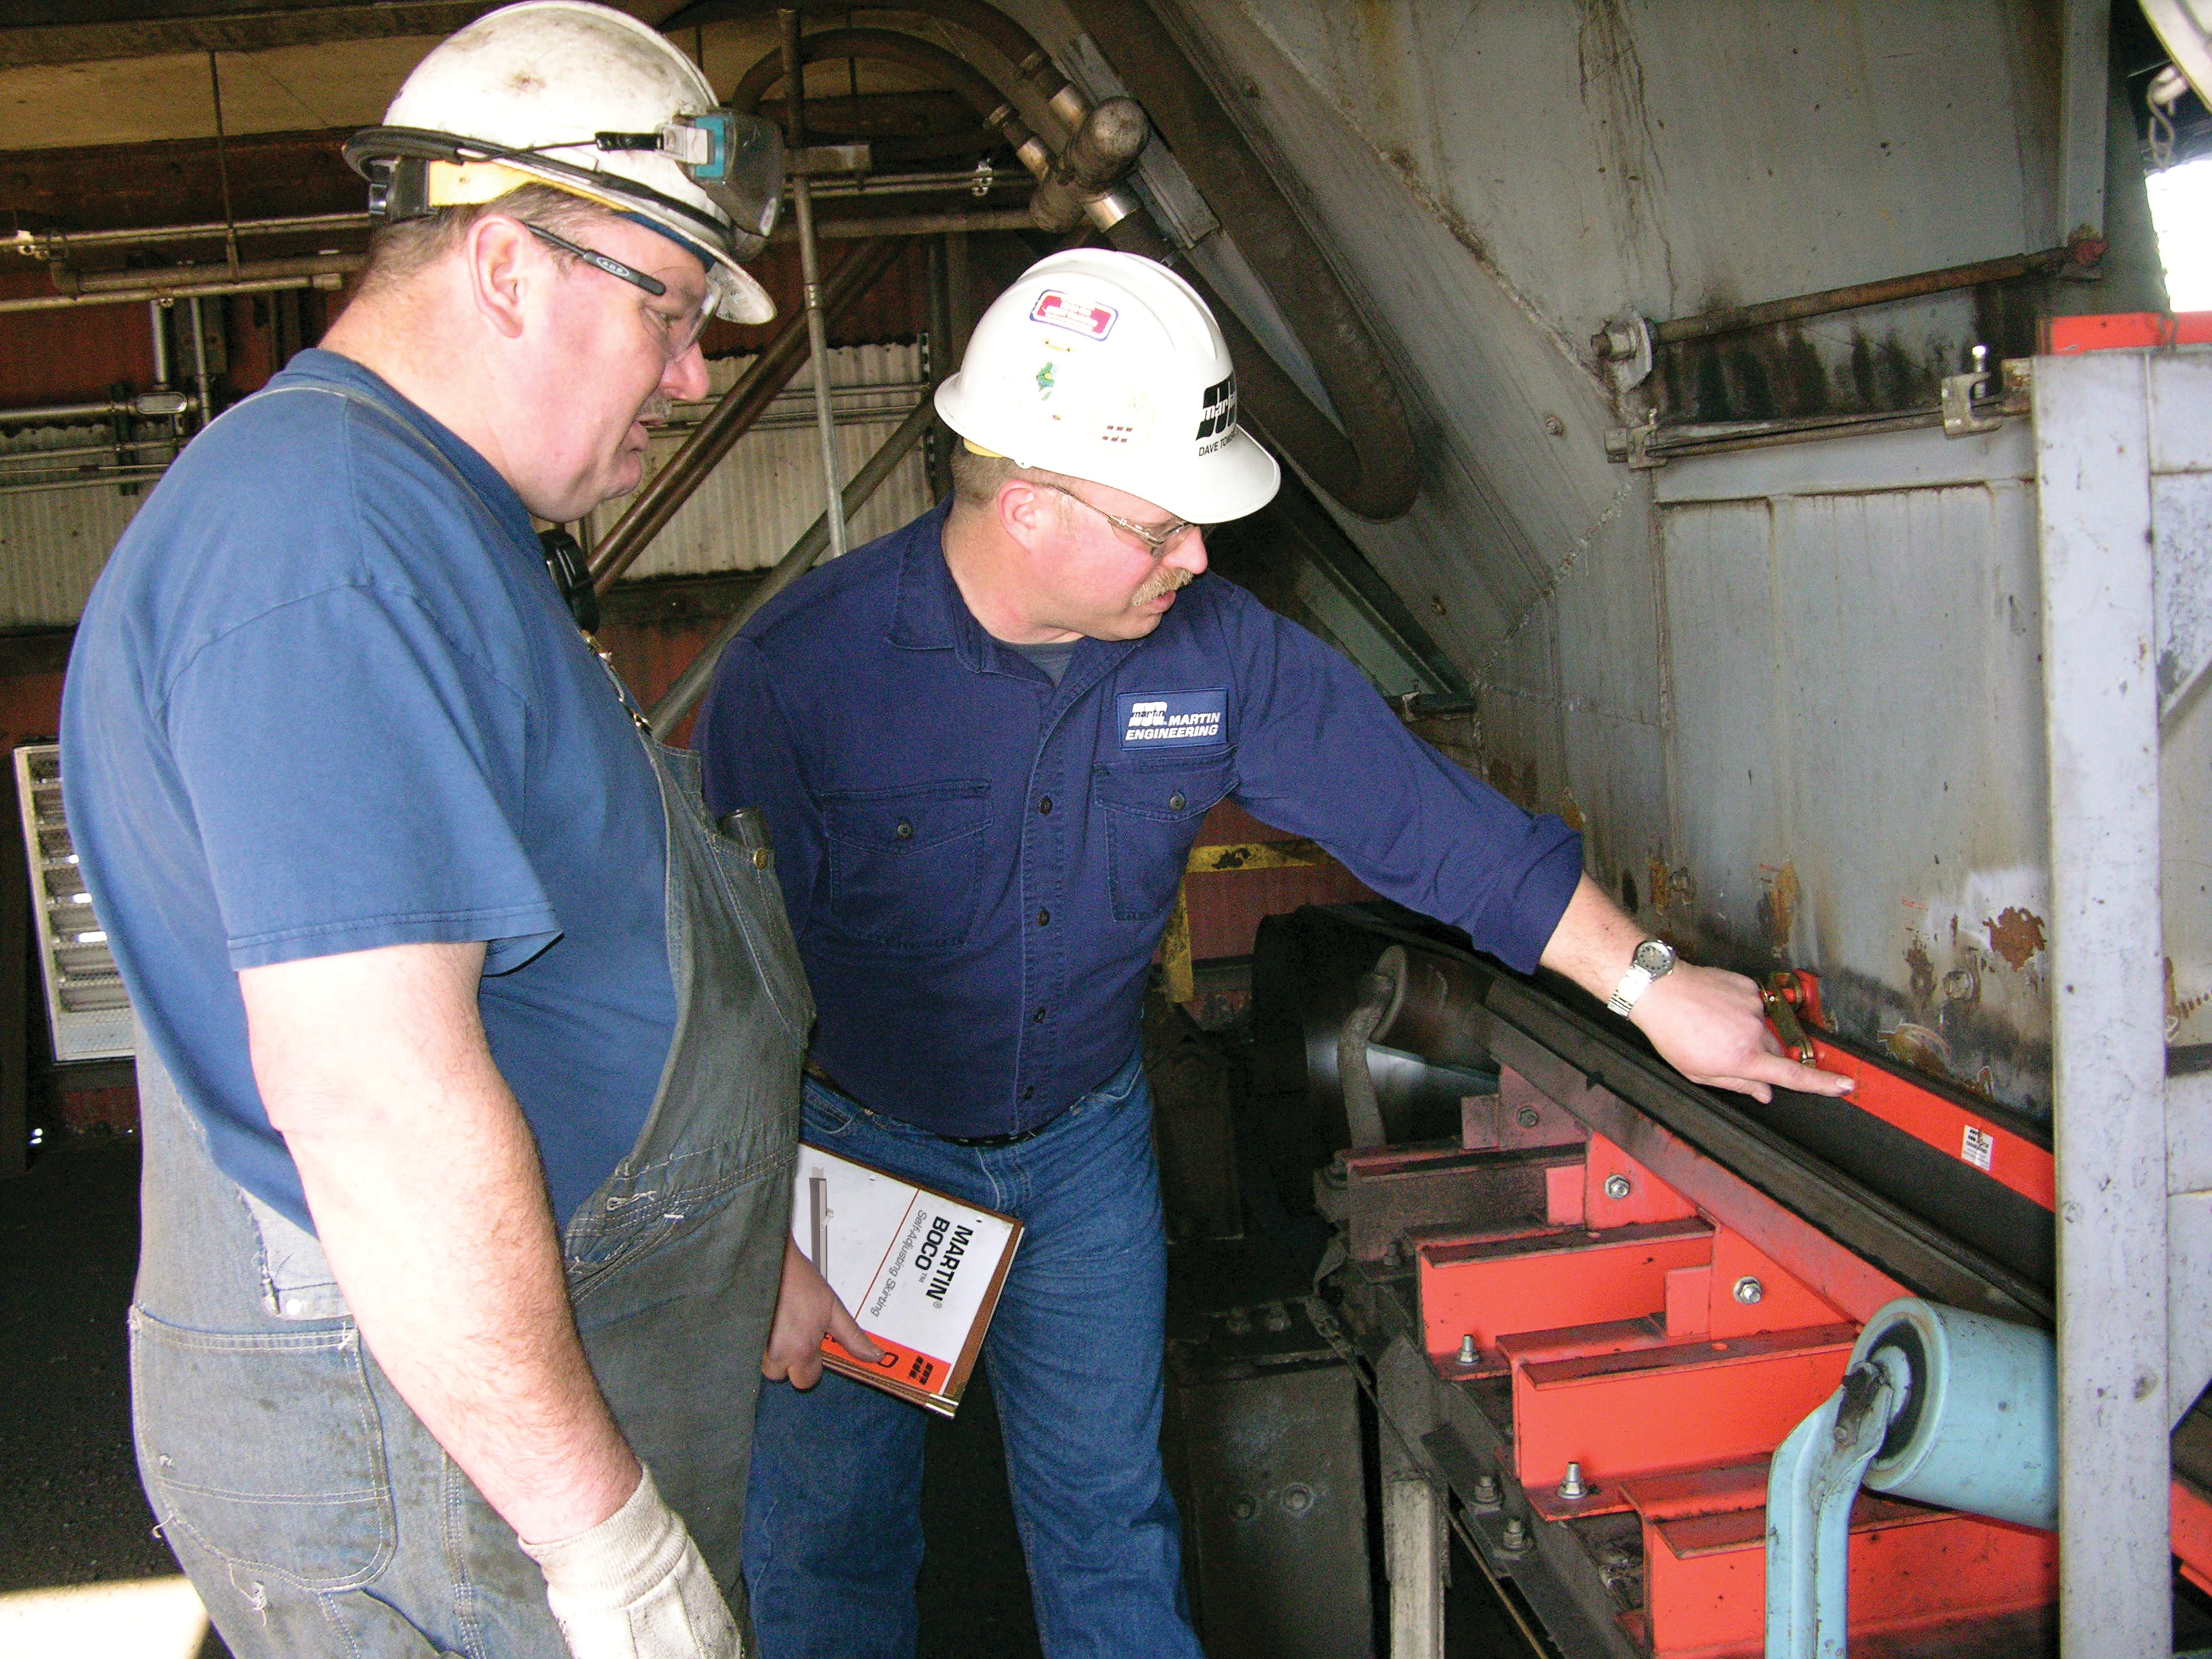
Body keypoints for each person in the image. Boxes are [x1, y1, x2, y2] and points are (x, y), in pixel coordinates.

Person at [695, 247, 1857, 1658]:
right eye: (1163, 525)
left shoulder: (1216, 653)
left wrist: (1652, 988)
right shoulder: (803, 676)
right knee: (829, 1548)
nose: (1197, 557)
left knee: (1111, 1528)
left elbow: (1427, 820)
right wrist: (758, 1236)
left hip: (1080, 1154)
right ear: (1033, 507)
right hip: (853, 1166)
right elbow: (713, 994)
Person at [60, 5, 805, 1655]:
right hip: (436, 1457)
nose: (691, 376)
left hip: (503, 1385)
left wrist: (749, 1235)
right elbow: (377, 1094)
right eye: (669, 310)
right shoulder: (327, 541)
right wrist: (602, 1540)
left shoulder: (427, 515)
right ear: (506, 266)